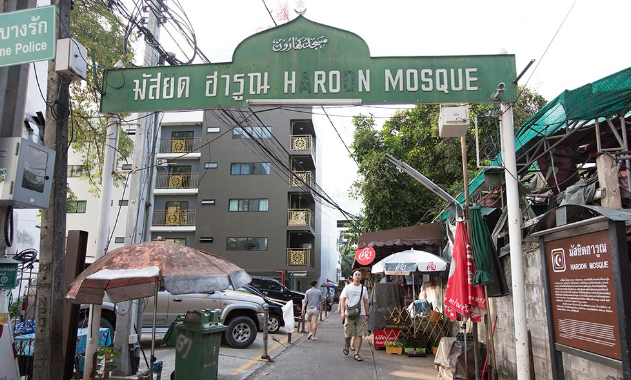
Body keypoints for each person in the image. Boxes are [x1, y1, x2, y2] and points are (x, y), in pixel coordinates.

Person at [340, 270, 370, 361]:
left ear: (361, 277)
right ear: (353, 277)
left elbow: (365, 302)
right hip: (349, 314)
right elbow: (343, 300)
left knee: (359, 334)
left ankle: (356, 354)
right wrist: (342, 312)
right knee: (348, 334)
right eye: (356, 274)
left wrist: (367, 314)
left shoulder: (363, 289)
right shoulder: (348, 288)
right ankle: (347, 345)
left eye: (359, 275)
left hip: (360, 314)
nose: (357, 276)